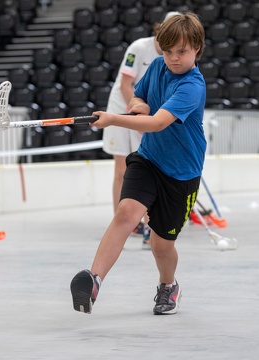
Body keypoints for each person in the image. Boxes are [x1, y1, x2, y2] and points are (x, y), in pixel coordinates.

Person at [71, 12, 206, 315]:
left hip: (181, 173)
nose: (173, 58)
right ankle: (93, 280)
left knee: (160, 244)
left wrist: (112, 119)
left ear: (197, 47)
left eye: (181, 51)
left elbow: (157, 123)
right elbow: (138, 97)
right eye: (167, 50)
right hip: (148, 159)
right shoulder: (157, 66)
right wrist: (136, 104)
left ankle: (168, 286)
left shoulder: (192, 86)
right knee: (126, 212)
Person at [102, 11, 181, 250]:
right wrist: (134, 114)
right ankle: (123, 223)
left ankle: (148, 223)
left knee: (145, 170)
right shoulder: (138, 47)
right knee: (121, 170)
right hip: (120, 109)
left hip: (143, 115)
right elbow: (127, 85)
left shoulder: (172, 59)